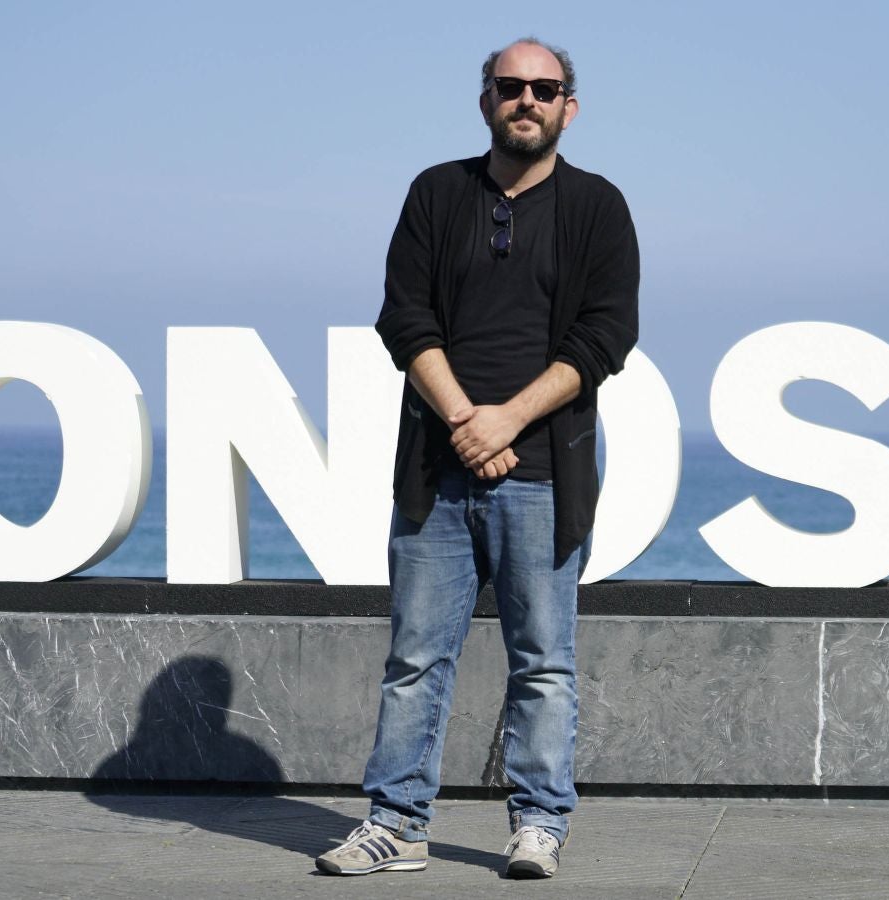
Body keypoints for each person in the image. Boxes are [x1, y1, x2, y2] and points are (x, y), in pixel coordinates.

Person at [316, 36, 639, 879]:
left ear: (569, 105)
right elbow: (404, 318)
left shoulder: (597, 207)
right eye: (509, 86)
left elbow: (605, 335)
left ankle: (539, 825)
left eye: (543, 88)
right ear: (485, 98)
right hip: (437, 472)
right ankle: (395, 823)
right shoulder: (436, 193)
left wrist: (508, 423)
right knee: (416, 658)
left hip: (543, 476)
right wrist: (466, 420)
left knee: (544, 663)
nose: (524, 99)